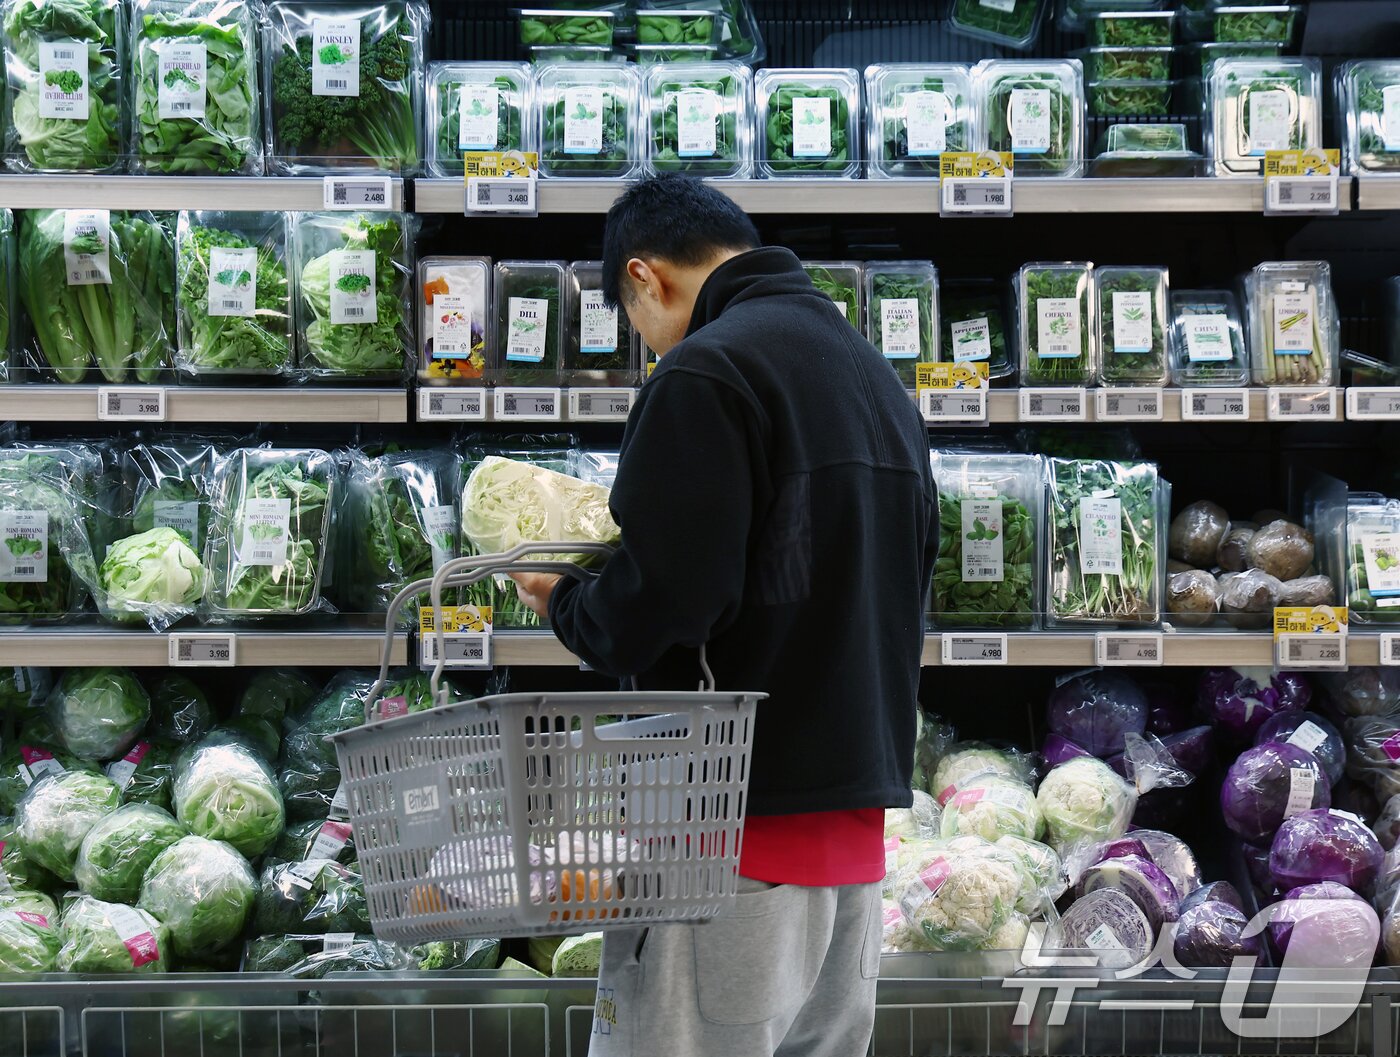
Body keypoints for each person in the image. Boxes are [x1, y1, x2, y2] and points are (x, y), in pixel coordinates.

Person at [512, 174, 936, 1057]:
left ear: (646, 276)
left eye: (635, 322)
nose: (646, 343)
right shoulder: (871, 375)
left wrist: (571, 605)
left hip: (727, 824)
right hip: (852, 828)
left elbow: (673, 596)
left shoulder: (707, 370)